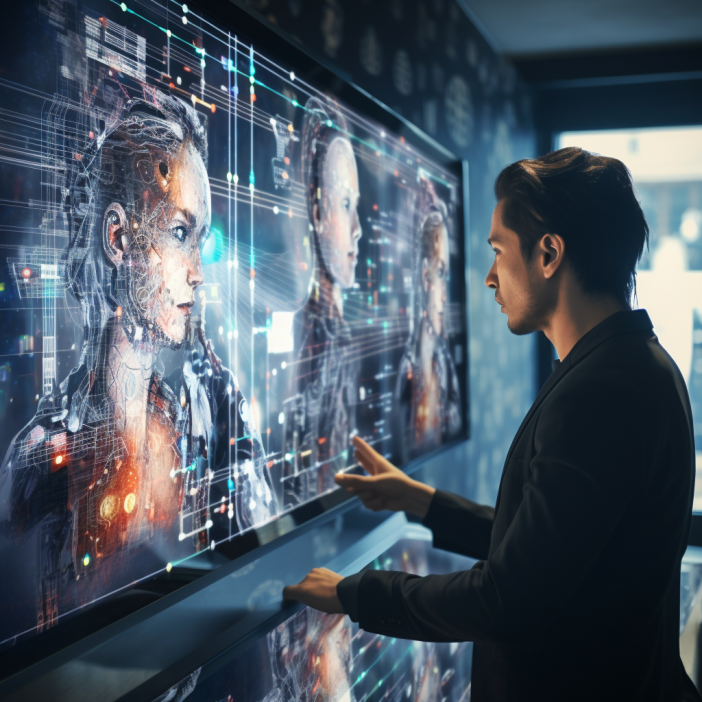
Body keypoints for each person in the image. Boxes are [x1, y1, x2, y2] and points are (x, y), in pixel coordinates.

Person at [284, 147, 702, 701]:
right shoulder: (634, 365)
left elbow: (510, 598)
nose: (488, 277)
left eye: (499, 251)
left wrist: (358, 595)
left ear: (549, 253)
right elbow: (551, 549)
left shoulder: (602, 392)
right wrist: (420, 501)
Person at [0, 88, 275, 642]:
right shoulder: (39, 461)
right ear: (119, 236)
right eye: (179, 234)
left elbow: (267, 573)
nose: (198, 272)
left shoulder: (201, 420)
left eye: (201, 241)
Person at [282, 97, 362, 506]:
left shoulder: (340, 335)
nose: (358, 228)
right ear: (316, 211)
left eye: (356, 206)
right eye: (346, 205)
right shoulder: (305, 339)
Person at [395, 177, 461, 462]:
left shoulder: (446, 367)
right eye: (441, 273)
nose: (445, 296)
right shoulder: (406, 372)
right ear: (424, 276)